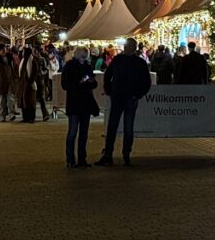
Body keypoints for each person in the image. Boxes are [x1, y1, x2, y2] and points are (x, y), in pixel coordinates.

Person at [96, 38, 151, 167]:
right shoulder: (131, 61)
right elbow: (108, 75)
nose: (125, 48)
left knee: (120, 126)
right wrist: (110, 90)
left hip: (124, 97)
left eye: (127, 46)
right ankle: (116, 154)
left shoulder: (124, 61)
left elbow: (145, 82)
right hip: (122, 97)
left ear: (132, 48)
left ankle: (116, 154)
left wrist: (136, 94)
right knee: (121, 126)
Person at [61, 46, 99, 168]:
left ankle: (81, 159)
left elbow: (93, 84)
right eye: (83, 55)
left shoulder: (86, 66)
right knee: (74, 132)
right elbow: (65, 85)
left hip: (83, 103)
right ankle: (71, 159)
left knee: (82, 133)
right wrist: (80, 83)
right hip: (75, 103)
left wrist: (92, 82)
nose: (84, 57)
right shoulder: (70, 66)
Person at [17, 47, 42, 123]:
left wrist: (29, 82)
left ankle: (31, 118)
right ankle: (25, 117)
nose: (23, 53)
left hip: (30, 85)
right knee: (24, 102)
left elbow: (34, 73)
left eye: (24, 52)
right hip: (23, 84)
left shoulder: (33, 61)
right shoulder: (23, 60)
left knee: (30, 102)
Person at [0, 44, 17, 121]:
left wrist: (15, 78)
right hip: (1, 82)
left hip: (10, 81)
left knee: (10, 98)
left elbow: (14, 69)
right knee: (1, 100)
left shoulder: (10, 57)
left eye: (5, 49)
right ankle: (2, 116)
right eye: (2, 50)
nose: (4, 51)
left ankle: (11, 114)